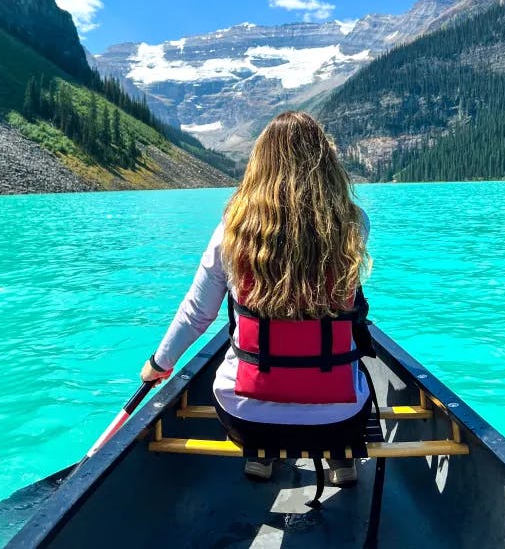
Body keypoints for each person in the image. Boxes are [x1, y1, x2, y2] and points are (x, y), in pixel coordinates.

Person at [140, 110, 373, 487]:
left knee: (245, 376)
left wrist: (159, 363)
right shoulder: (354, 223)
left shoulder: (230, 231)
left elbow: (197, 314)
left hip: (247, 421)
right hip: (338, 421)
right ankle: (340, 459)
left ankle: (260, 458)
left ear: (259, 165)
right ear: (326, 163)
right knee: (350, 367)